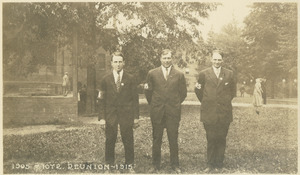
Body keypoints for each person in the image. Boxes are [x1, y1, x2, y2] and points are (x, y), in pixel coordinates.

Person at [144, 49, 187, 173]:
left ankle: (175, 165)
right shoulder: (152, 73)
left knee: (173, 138)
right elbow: (148, 92)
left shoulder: (179, 74)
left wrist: (174, 104)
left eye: (168, 58)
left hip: (173, 112)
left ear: (172, 59)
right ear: (160, 59)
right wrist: (155, 105)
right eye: (164, 58)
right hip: (157, 111)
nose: (167, 61)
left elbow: (183, 93)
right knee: (157, 138)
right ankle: (155, 165)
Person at [195, 51, 236, 173]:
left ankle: (219, 163)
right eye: (215, 59)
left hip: (224, 112)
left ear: (222, 61)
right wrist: (208, 101)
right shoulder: (203, 74)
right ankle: (210, 164)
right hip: (209, 111)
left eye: (219, 60)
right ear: (211, 60)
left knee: (222, 137)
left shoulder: (229, 74)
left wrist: (223, 102)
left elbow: (232, 92)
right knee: (211, 137)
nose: (217, 62)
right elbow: (198, 91)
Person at [98, 51, 139, 173]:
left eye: (120, 61)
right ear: (111, 63)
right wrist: (102, 118)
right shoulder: (105, 79)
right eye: (115, 62)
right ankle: (109, 166)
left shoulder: (130, 78)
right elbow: (101, 100)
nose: (118, 64)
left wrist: (136, 117)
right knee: (110, 139)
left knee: (128, 139)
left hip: (126, 114)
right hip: (111, 115)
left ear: (124, 63)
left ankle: (129, 165)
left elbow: (135, 99)